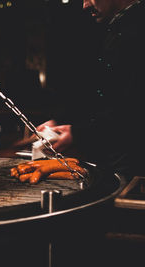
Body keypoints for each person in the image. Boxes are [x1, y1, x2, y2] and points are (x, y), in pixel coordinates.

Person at [36, 0, 145, 179]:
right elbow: (105, 94)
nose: (85, 5)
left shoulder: (136, 31)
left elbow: (133, 111)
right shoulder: (119, 27)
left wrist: (79, 133)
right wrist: (63, 120)